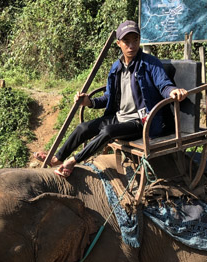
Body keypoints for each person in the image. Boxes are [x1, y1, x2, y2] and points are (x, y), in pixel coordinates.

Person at [35, 20, 188, 177]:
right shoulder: (116, 68)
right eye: (126, 41)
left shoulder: (150, 64)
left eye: (135, 40)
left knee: (108, 131)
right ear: (118, 43)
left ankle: (73, 161)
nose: (131, 46)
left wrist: (173, 91)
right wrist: (90, 102)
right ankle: (57, 158)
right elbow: (109, 97)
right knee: (83, 128)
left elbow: (164, 85)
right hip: (119, 117)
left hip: (142, 122)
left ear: (139, 40)